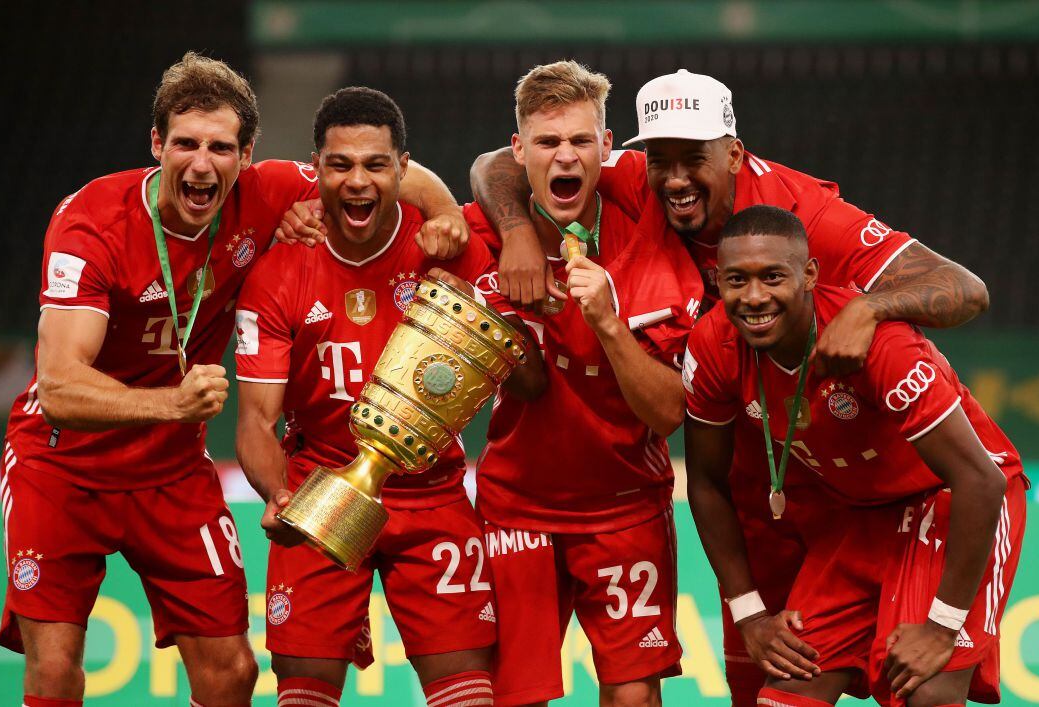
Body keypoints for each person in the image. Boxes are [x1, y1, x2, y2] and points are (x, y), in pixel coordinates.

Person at [469, 68, 991, 704]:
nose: (676, 178)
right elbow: (499, 162)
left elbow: (966, 288)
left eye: (695, 158)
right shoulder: (633, 175)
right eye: (659, 158)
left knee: (918, 686)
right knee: (764, 681)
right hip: (748, 457)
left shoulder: (806, 218)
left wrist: (869, 308)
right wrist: (520, 232)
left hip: (851, 473)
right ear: (633, 154)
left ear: (735, 154)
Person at [0, 53, 472, 707]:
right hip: (63, 466)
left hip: (170, 471)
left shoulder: (269, 192)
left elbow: (388, 170)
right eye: (186, 143)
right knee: (54, 671)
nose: (202, 163)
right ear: (157, 144)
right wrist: (175, 402)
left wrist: (447, 211)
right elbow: (57, 386)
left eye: (221, 147)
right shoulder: (92, 224)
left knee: (231, 673)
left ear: (246, 154)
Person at [234, 86, 545, 707]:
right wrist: (283, 499)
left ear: (403, 168)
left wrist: (473, 306)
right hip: (320, 488)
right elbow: (255, 421)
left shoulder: (451, 251)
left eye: (376, 164)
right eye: (340, 164)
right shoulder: (274, 275)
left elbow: (530, 381)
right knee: (302, 696)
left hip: (432, 497)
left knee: (468, 696)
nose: (358, 181)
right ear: (314, 169)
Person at [683, 205, 1025, 706]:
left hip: (952, 499)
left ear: (810, 275)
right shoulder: (714, 343)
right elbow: (708, 482)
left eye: (772, 277)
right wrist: (750, 614)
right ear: (719, 279)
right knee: (784, 694)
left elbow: (981, 480)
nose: (754, 297)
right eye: (736, 280)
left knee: (925, 692)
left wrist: (942, 626)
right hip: (858, 513)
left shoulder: (881, 346)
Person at [462, 60, 703, 707]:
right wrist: (514, 233)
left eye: (579, 140)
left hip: (625, 504)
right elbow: (464, 177)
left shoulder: (651, 223)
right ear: (520, 151)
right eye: (546, 142)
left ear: (607, 146)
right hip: (516, 505)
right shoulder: (481, 230)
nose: (564, 154)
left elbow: (671, 411)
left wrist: (607, 320)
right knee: (516, 695)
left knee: (634, 698)